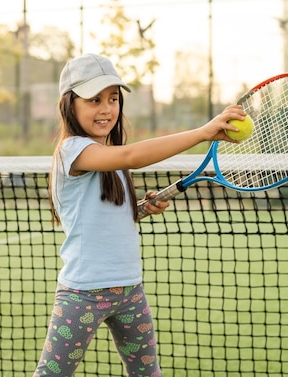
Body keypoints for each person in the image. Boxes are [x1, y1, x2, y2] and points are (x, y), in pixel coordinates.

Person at [33, 53, 246, 377]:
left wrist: (142, 209)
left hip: (130, 291)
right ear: (69, 105)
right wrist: (202, 132)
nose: (106, 108)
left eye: (113, 98)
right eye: (94, 99)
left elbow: (104, 213)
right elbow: (133, 155)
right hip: (84, 295)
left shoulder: (110, 158)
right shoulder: (72, 150)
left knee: (148, 374)